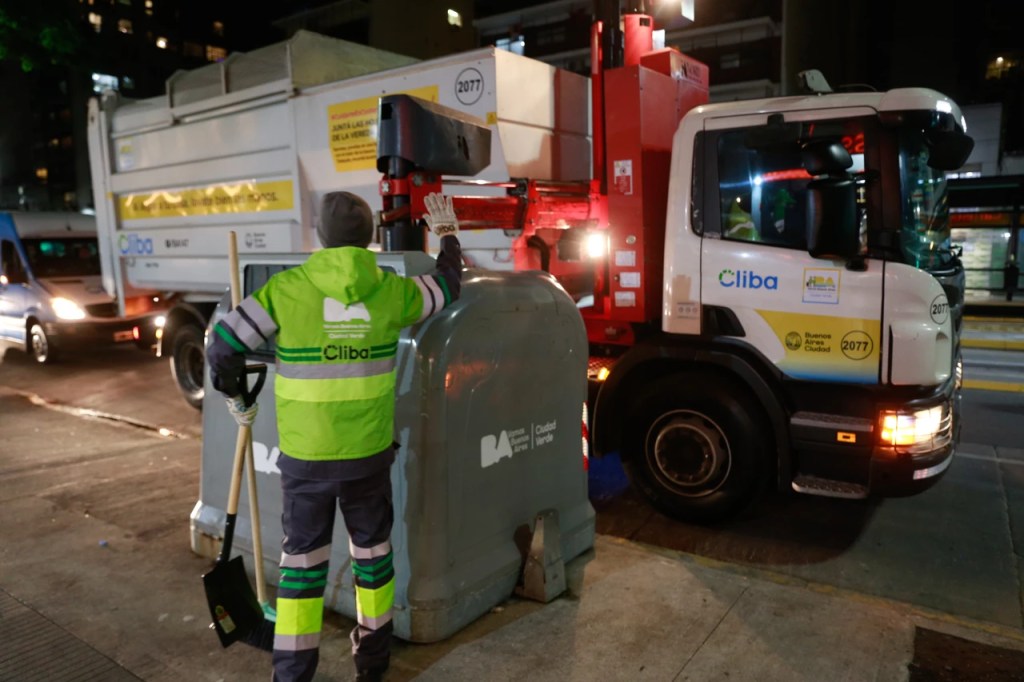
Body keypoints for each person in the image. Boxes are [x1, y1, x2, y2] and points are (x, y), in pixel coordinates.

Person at [206, 191, 462, 682]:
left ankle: (293, 672)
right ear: (369, 237)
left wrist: (237, 397)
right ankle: (372, 664)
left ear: (321, 236)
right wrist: (448, 236)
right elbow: (449, 287)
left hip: (306, 463)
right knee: (374, 560)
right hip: (367, 460)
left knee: (301, 569)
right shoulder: (391, 291)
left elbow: (223, 345)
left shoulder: (286, 290)